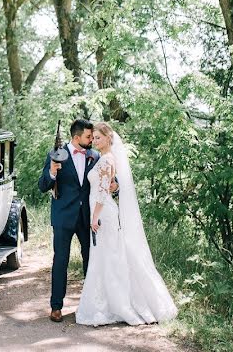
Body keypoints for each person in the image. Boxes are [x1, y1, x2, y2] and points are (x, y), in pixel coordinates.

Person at [75, 122, 178, 326]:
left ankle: (120, 304)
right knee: (108, 257)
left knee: (110, 258)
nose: (95, 141)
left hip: (104, 213)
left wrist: (95, 217)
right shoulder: (106, 158)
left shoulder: (106, 159)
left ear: (109, 138)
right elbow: (111, 186)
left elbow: (103, 192)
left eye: (98, 137)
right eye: (93, 138)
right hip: (104, 210)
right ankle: (106, 302)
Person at [38, 119, 98, 322]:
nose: (92, 140)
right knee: (61, 260)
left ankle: (90, 304)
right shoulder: (57, 154)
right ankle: (56, 306)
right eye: (88, 137)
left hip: (86, 217)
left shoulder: (95, 156)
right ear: (76, 137)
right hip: (63, 216)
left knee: (90, 259)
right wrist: (52, 173)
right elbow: (42, 185)